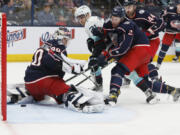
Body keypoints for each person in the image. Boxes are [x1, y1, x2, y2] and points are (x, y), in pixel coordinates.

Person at [91, 6, 180, 106]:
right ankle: (173, 90)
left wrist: (107, 55)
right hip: (143, 52)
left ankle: (113, 95)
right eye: (112, 18)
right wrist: (100, 33)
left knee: (117, 70)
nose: (113, 21)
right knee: (146, 82)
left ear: (122, 18)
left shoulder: (127, 25)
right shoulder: (111, 24)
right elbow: (107, 33)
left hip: (139, 50)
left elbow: (123, 48)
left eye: (116, 19)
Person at [22, 27, 105, 113]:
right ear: (61, 38)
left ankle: (26, 94)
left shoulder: (46, 44)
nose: (66, 42)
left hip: (29, 83)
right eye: (66, 39)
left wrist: (78, 64)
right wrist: (73, 69)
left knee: (56, 93)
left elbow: (60, 60)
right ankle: (80, 104)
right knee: (67, 92)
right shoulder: (59, 46)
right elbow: (57, 62)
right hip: (45, 82)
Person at [74, 5, 131, 91]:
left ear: (88, 14)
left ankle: (99, 85)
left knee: (93, 63)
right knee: (120, 62)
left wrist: (98, 52)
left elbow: (104, 37)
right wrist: (92, 41)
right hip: (112, 43)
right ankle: (126, 79)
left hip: (109, 44)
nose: (80, 20)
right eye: (79, 18)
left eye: (81, 17)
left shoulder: (90, 22)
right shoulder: (93, 20)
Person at [123, 0, 165, 81]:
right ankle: (127, 79)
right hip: (137, 44)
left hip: (151, 41)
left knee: (145, 61)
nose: (127, 10)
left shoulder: (143, 14)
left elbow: (160, 23)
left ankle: (155, 79)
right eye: (126, 7)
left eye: (129, 7)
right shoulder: (123, 18)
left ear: (134, 7)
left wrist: (149, 31)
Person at [156, 2, 180, 69]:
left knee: (178, 44)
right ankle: (158, 65)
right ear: (177, 5)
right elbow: (161, 17)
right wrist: (163, 26)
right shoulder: (170, 10)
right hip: (170, 32)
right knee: (164, 48)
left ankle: (177, 56)